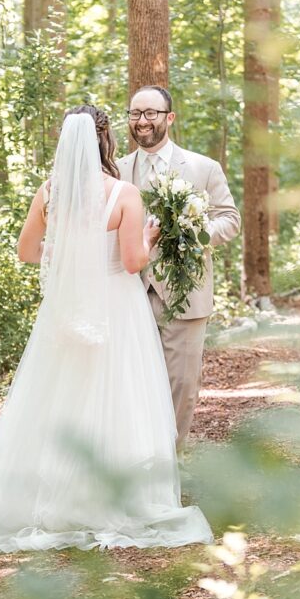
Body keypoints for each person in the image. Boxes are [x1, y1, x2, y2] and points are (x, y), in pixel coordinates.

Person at [0, 106, 214, 553]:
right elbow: (133, 262)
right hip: (117, 306)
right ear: (104, 140)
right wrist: (152, 237)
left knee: (61, 396)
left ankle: (53, 497)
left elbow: (27, 251)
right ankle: (115, 495)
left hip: (67, 306)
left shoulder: (50, 191)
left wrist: (71, 255)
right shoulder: (124, 194)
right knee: (119, 396)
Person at [117, 86, 242, 451]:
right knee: (130, 384)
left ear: (169, 117)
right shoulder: (117, 169)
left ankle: (170, 464)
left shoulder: (203, 168)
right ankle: (134, 462)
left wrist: (193, 232)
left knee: (182, 386)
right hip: (128, 292)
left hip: (185, 294)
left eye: (151, 113)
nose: (142, 121)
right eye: (135, 113)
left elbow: (230, 220)